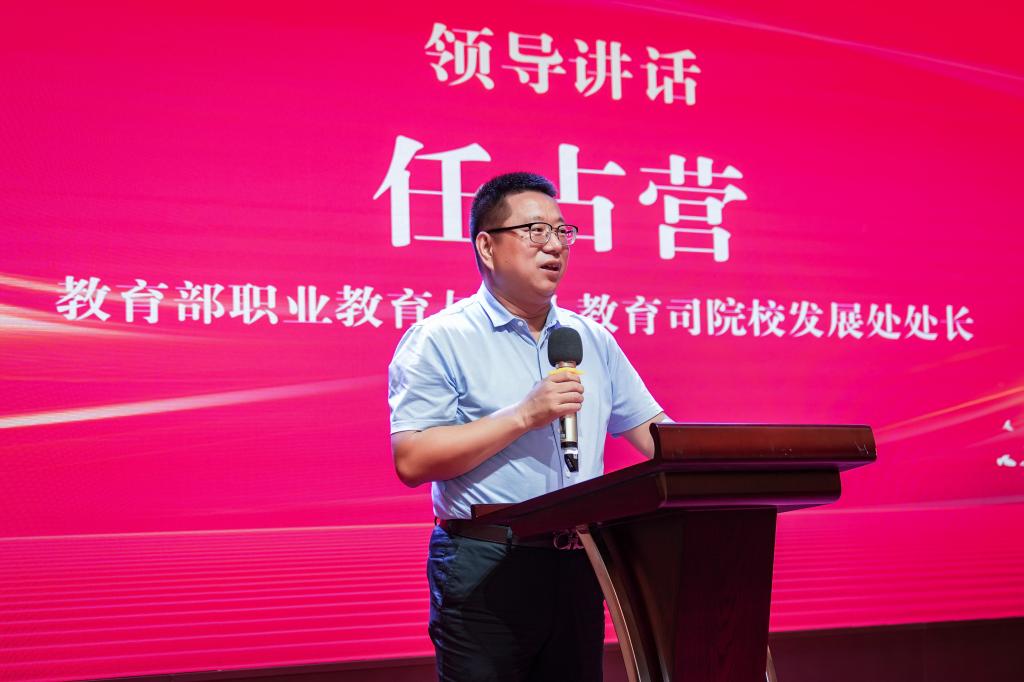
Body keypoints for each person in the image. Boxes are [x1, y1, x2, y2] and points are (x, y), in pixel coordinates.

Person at [388, 172, 667, 681]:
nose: (555, 245)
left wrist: (716, 461)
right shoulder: (440, 338)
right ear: (487, 246)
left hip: (580, 560)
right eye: (536, 231)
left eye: (562, 231)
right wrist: (523, 416)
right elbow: (413, 459)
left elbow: (655, 434)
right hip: (486, 562)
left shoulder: (591, 338)